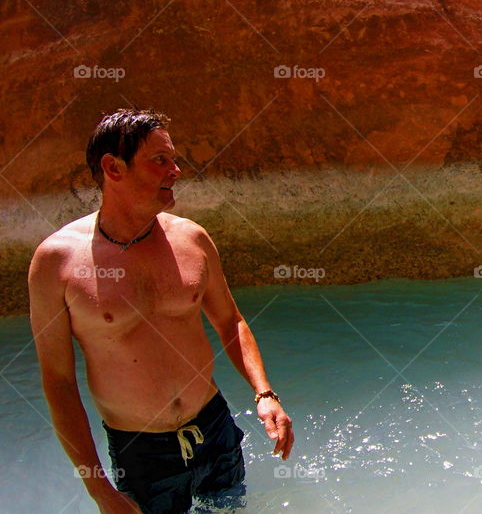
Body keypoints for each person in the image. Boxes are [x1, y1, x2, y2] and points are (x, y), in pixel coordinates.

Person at [28, 109, 294, 513]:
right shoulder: (56, 263)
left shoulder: (192, 239)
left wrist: (265, 393)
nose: (175, 170)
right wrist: (100, 491)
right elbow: (59, 383)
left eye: (173, 159)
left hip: (214, 429)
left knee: (231, 508)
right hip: (141, 451)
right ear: (112, 167)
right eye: (160, 160)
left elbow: (230, 321)